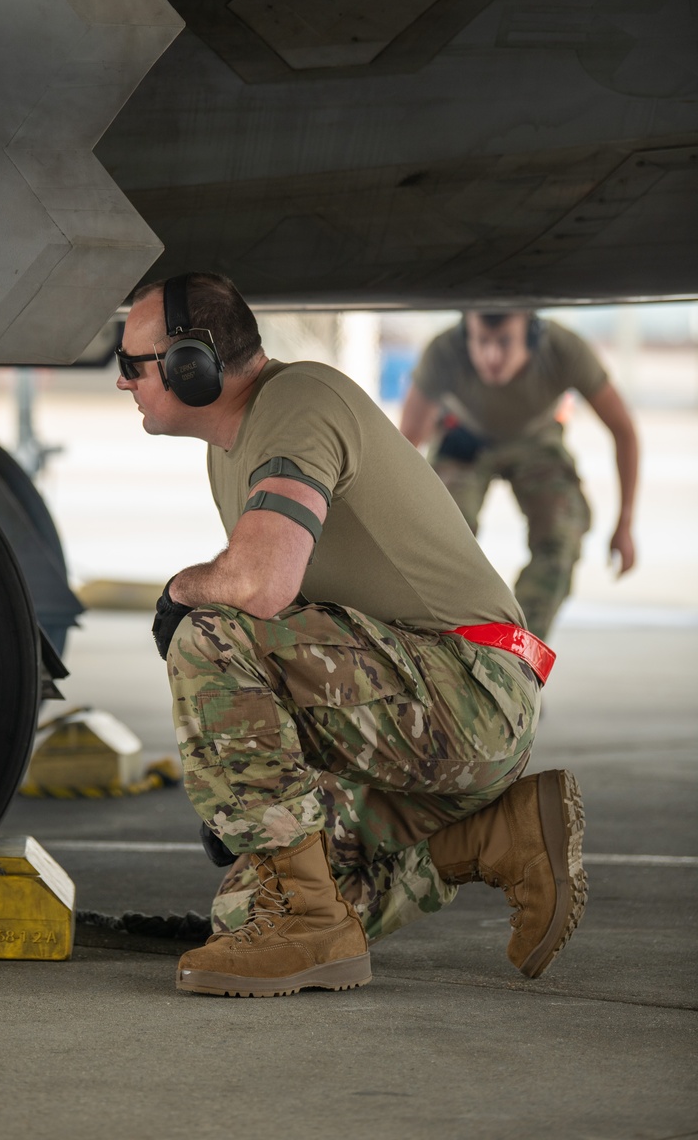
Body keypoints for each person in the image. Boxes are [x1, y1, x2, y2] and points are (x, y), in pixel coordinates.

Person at [115, 272, 586, 999]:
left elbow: (262, 587)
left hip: (471, 686)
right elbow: (293, 636)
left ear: (191, 364)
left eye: (132, 365)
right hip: (416, 694)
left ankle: (307, 923)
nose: (123, 384)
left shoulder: (300, 403)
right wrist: (243, 784)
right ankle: (494, 838)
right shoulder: (233, 447)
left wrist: (179, 592)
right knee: (242, 911)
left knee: (208, 633)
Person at [400, 312, 639, 640]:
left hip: (535, 439)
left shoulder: (563, 350)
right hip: (464, 437)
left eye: (504, 342)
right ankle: (452, 649)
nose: (491, 356)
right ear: (466, 336)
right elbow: (404, 445)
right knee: (440, 538)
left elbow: (624, 430)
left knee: (561, 537)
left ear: (531, 337)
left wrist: (624, 523)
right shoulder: (445, 351)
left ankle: (518, 656)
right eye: (482, 341)